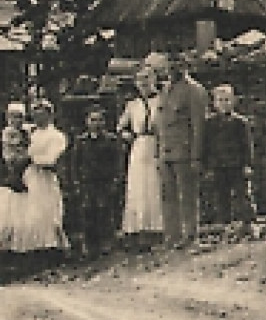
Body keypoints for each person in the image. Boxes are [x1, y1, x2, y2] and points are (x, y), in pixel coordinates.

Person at [155, 53, 209, 249]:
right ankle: (172, 236)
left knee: (187, 194)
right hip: (165, 152)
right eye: (170, 65)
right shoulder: (166, 89)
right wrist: (158, 152)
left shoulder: (195, 91)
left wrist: (196, 155)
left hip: (184, 152)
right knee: (167, 196)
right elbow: (160, 123)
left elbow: (198, 126)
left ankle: (190, 235)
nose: (172, 69)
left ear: (186, 66)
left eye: (177, 65)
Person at [203, 84, 256, 238]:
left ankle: (248, 224)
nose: (224, 103)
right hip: (219, 165)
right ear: (214, 103)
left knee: (243, 193)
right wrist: (208, 165)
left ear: (233, 101)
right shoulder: (209, 124)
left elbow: (247, 145)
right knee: (221, 195)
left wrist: (247, 164)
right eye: (220, 100)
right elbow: (207, 146)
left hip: (237, 164)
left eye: (227, 100)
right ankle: (225, 226)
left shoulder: (240, 122)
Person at [117, 64, 163, 241]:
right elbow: (120, 127)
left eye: (147, 78)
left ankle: (158, 227)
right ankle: (139, 227)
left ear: (155, 79)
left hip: (156, 143)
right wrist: (127, 134)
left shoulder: (162, 100)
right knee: (139, 185)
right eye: (140, 79)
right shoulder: (132, 105)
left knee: (155, 183)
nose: (144, 82)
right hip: (139, 146)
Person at [18, 99, 69, 257]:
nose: (37, 119)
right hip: (30, 175)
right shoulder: (31, 134)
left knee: (49, 210)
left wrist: (32, 159)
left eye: (41, 115)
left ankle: (53, 246)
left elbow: (52, 159)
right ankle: (36, 247)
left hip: (46, 177)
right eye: (35, 115)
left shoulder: (56, 136)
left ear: (50, 115)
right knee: (32, 210)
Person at [74, 108, 125, 256]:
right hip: (87, 182)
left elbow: (118, 162)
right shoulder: (81, 141)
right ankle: (90, 244)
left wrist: (116, 180)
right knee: (88, 212)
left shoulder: (111, 140)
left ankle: (106, 242)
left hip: (105, 182)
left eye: (99, 120)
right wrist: (76, 182)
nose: (96, 124)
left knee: (105, 211)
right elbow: (75, 164)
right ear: (87, 122)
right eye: (93, 120)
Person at [0, 103, 31, 193]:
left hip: (24, 155)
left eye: (20, 117)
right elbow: (15, 142)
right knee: (17, 165)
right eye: (14, 117)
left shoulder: (26, 129)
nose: (17, 120)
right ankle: (15, 180)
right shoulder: (8, 131)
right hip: (12, 156)